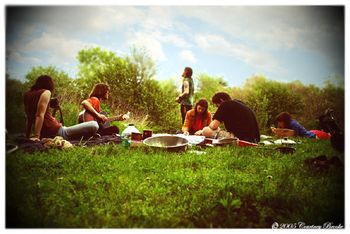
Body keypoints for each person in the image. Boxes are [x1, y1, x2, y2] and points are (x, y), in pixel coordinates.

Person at [24, 75, 99, 141]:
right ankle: (85, 135)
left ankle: (84, 135)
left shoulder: (27, 95)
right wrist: (37, 136)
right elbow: (39, 115)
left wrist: (28, 136)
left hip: (50, 132)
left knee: (79, 129)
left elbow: (29, 117)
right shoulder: (46, 92)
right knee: (94, 124)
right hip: (58, 131)